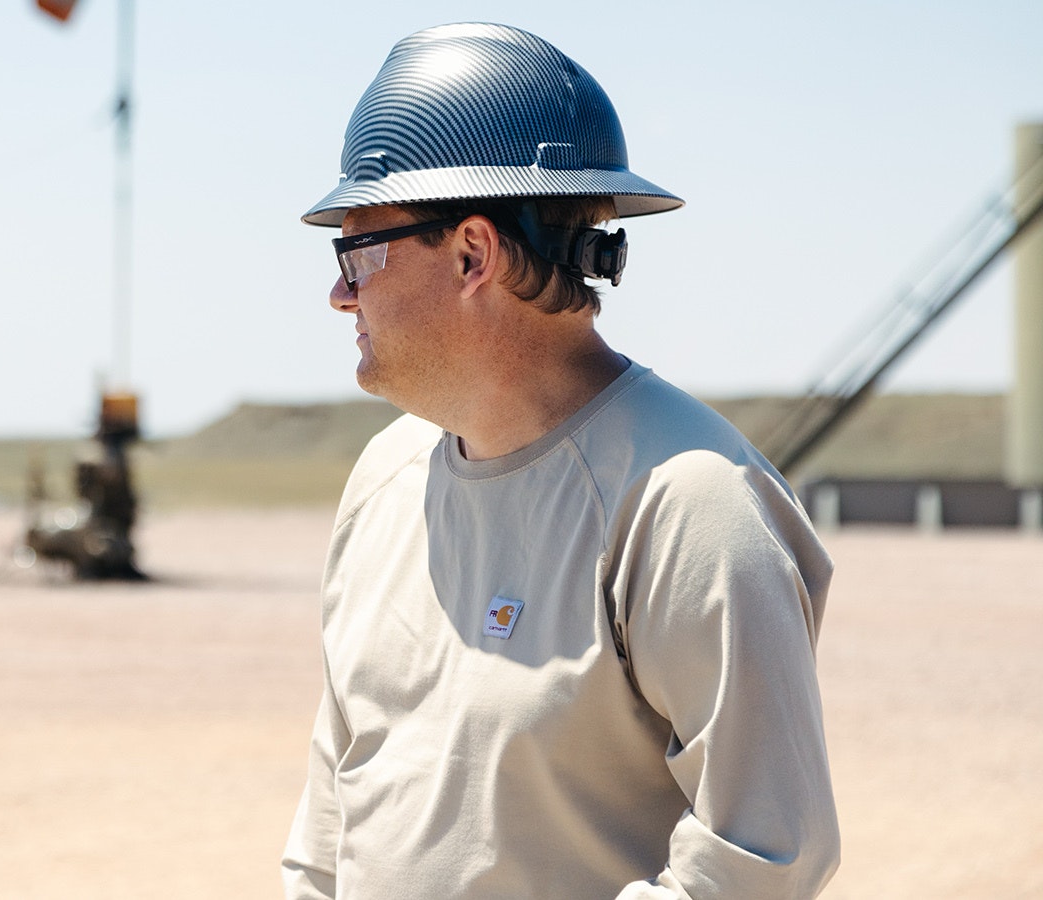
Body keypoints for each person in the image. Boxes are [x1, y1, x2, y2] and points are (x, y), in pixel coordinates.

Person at [282, 23, 840, 900]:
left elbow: (762, 856)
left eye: (357, 249)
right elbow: (331, 823)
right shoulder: (384, 481)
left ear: (473, 253)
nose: (338, 291)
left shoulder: (687, 500)